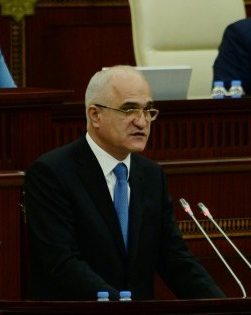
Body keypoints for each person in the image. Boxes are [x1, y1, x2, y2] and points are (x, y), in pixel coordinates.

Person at [24, 66, 225, 301]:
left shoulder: (151, 176)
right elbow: (61, 263)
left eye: (148, 110)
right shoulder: (52, 173)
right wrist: (123, 307)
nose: (142, 122)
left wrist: (222, 308)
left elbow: (175, 259)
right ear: (95, 115)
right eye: (129, 109)